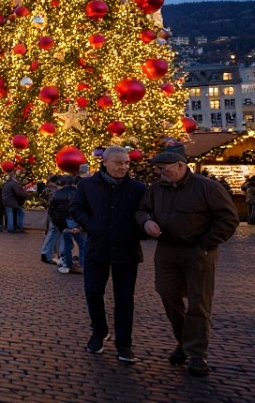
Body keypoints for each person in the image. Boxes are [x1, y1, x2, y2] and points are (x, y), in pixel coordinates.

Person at [135, 144, 239, 377]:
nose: (160, 173)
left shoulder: (207, 188)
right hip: (167, 251)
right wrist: (145, 222)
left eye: (164, 169)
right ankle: (184, 342)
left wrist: (205, 245)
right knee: (168, 295)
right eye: (158, 169)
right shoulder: (157, 189)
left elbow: (228, 219)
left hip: (198, 252)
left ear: (181, 165)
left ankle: (196, 353)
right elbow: (141, 210)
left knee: (198, 304)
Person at [71, 146, 146, 363]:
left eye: (126, 163)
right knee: (93, 292)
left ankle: (124, 343)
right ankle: (99, 331)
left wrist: (142, 227)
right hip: (98, 247)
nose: (123, 167)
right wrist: (90, 225)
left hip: (127, 249)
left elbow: (145, 212)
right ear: (105, 162)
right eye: (118, 163)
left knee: (125, 299)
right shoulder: (87, 185)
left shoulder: (138, 188)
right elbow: (76, 208)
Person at [52, 175, 84, 274]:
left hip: (65, 222)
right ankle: (83, 265)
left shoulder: (57, 194)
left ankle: (67, 264)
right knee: (82, 244)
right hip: (77, 221)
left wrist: (63, 227)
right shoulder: (79, 193)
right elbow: (85, 209)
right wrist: (80, 226)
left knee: (67, 244)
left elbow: (53, 212)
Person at [40, 175, 63, 264]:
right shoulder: (57, 191)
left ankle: (46, 253)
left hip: (53, 214)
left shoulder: (51, 190)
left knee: (51, 233)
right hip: (56, 214)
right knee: (55, 234)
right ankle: (54, 254)